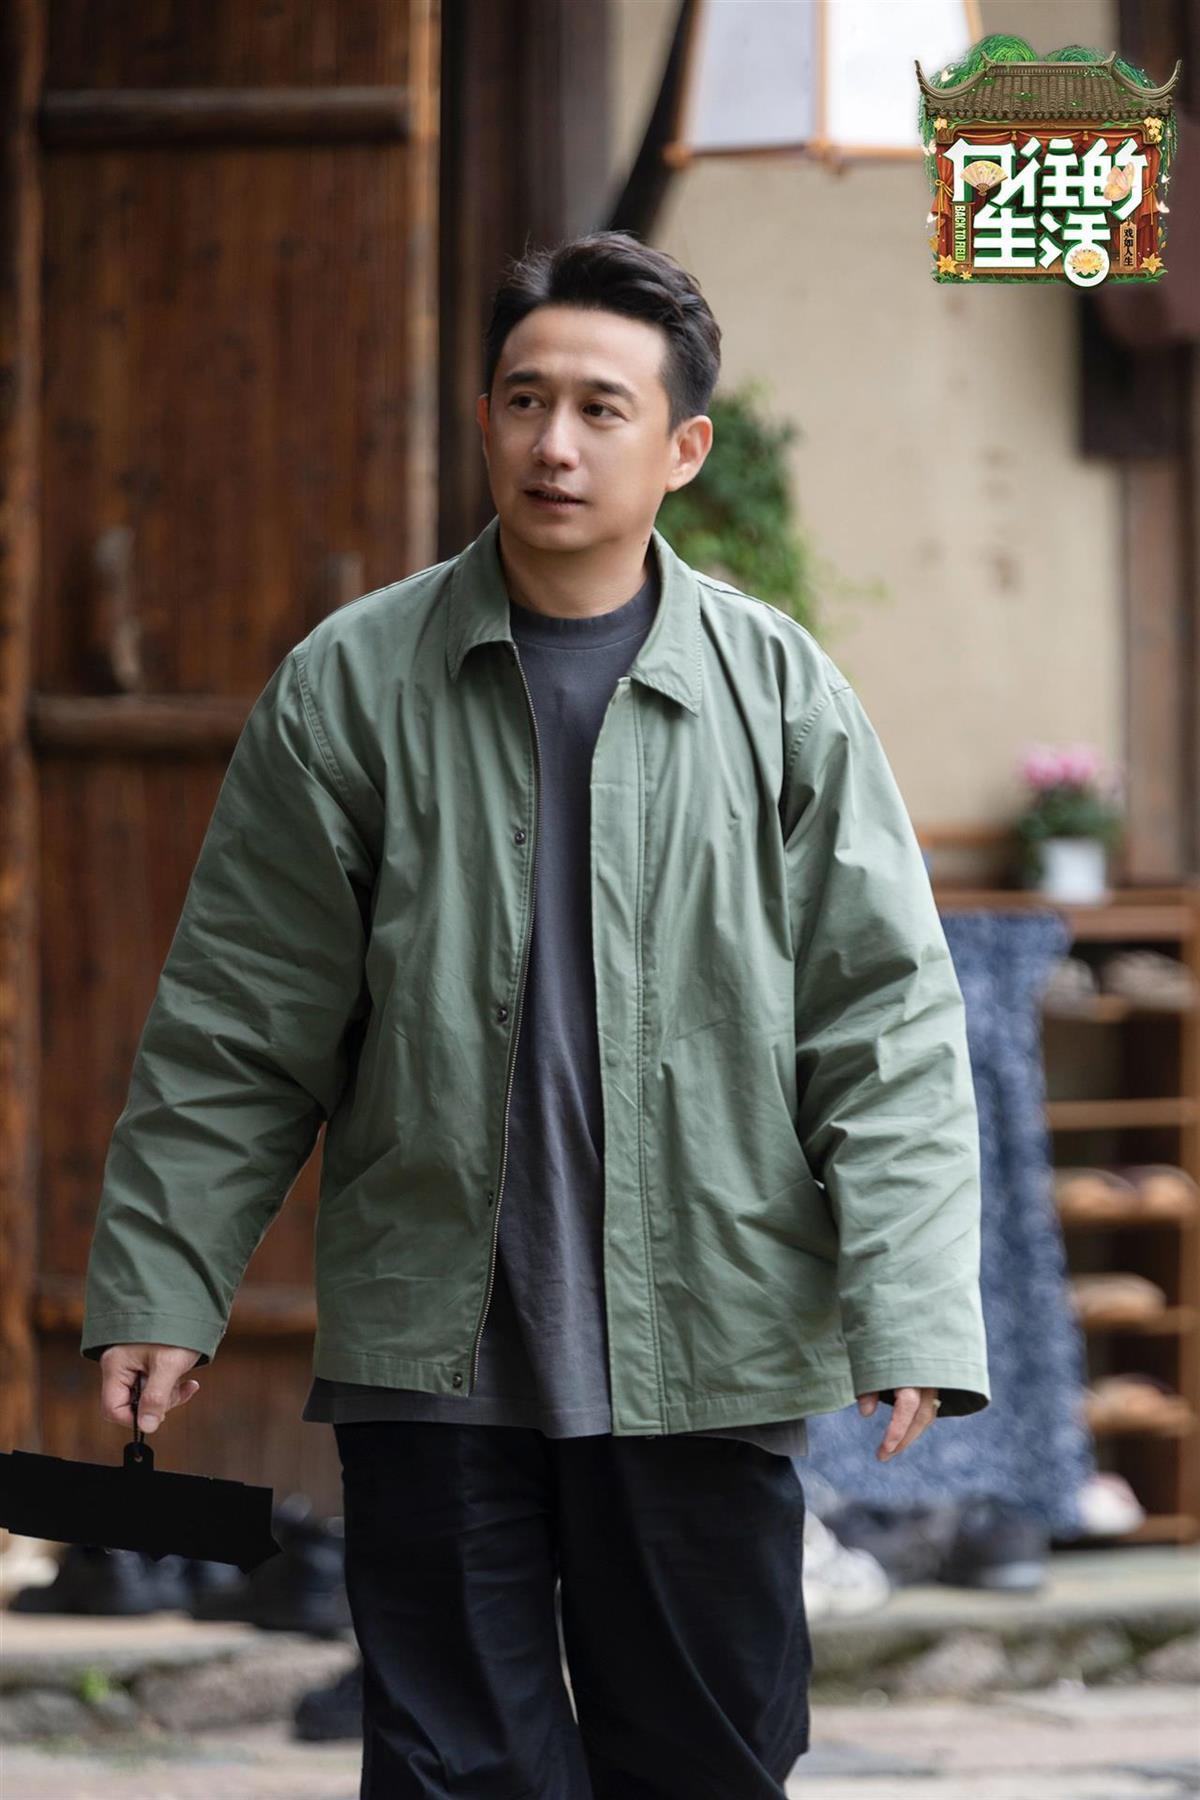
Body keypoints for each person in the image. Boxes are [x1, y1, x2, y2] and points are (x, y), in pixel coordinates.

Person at [82, 230, 990, 1797]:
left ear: (682, 448)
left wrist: (909, 1301)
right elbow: (240, 1019)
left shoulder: (782, 697)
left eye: (600, 408)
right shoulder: (352, 686)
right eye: (523, 400)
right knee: (456, 1775)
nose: (554, 443)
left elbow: (885, 1027)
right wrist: (164, 1280)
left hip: (712, 1341)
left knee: (704, 1768)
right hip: (435, 1357)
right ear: (485, 420)